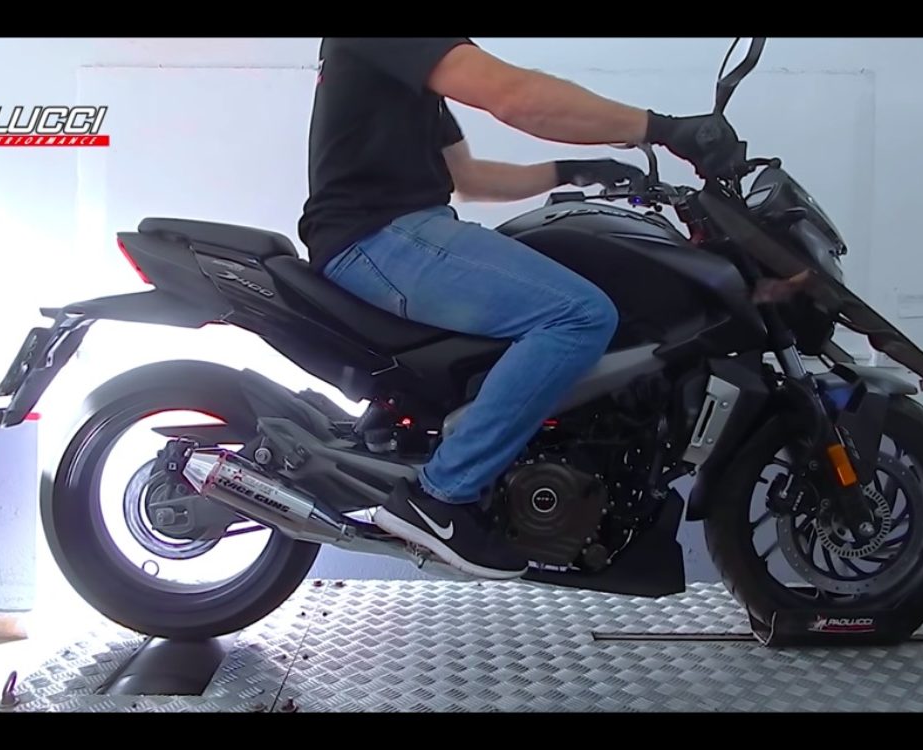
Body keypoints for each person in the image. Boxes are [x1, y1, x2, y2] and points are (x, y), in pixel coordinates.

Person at [297, 37, 742, 580]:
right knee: (579, 316)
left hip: (402, 231)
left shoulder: (407, 71)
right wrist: (663, 128)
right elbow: (515, 96)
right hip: (377, 238)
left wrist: (574, 171)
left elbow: (470, 178)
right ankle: (442, 495)